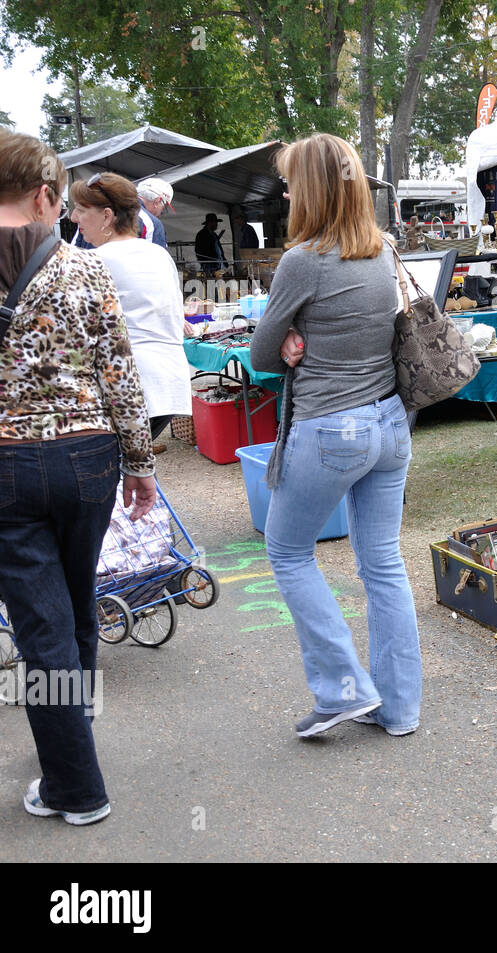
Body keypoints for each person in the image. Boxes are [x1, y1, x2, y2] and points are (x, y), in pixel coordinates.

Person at [0, 130, 157, 825]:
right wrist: (140, 463)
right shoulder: (86, 269)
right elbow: (120, 376)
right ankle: (73, 742)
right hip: (89, 458)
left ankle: (74, 783)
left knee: (43, 627)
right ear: (42, 195)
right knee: (73, 606)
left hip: (7, 464)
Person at [249, 133, 420, 739]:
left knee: (289, 552)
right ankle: (399, 709)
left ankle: (342, 691)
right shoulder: (384, 249)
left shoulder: (303, 261)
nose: (288, 192)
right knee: (382, 563)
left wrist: (291, 336)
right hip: (389, 423)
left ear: (314, 190)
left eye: (293, 182)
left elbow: (262, 354)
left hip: (331, 427)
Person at [69, 172, 190, 447]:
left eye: (81, 210)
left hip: (127, 391)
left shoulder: (91, 261)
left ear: (107, 216)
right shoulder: (158, 255)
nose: (74, 218)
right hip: (168, 386)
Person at [136, 177, 175, 251]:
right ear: (157, 201)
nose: (160, 215)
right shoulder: (151, 223)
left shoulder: (111, 208)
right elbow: (158, 260)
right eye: (163, 209)